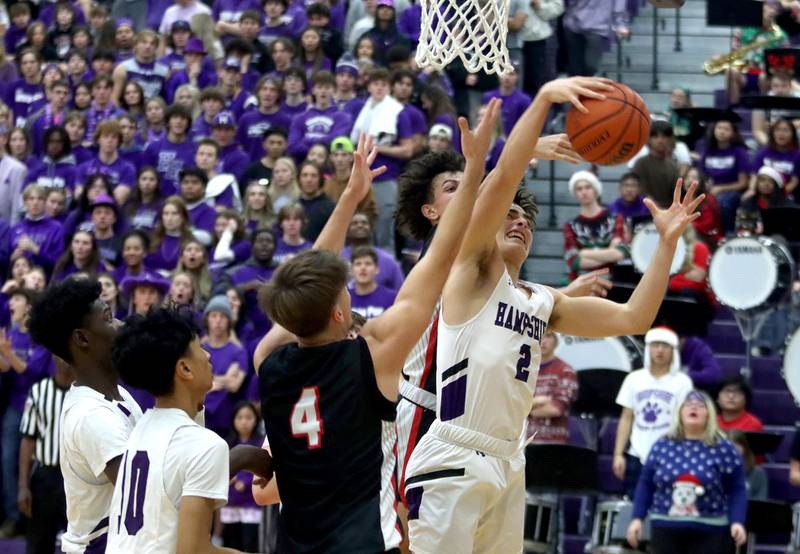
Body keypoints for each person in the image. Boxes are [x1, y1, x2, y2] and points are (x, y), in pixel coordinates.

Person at [403, 77, 701, 553]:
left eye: (527, 219)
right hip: (453, 451)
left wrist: (665, 245)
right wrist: (544, 100)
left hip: (509, 460)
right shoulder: (472, 268)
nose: (520, 220)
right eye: (509, 216)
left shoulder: (543, 300)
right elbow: (500, 184)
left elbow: (633, 319)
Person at [250, 103, 499, 551]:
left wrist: (348, 198)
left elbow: (308, 279)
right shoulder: (374, 354)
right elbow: (439, 258)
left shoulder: (268, 362)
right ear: (339, 315)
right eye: (343, 291)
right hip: (364, 542)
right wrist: (476, 167)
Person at [106, 307, 271, 553]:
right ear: (184, 369)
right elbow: (193, 551)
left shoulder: (142, 428)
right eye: (199, 348)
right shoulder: (202, 444)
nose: (208, 355)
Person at [27, 279, 143, 552]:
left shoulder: (118, 395)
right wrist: (235, 461)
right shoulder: (92, 415)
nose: (122, 325)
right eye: (109, 318)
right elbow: (145, 493)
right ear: (82, 338)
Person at [626, 390, 748, 553]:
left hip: (711, 529)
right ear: (679, 412)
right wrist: (637, 518)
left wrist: (737, 521)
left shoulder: (724, 448)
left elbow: (737, 488)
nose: (694, 407)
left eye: (700, 406)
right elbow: (646, 484)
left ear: (709, 414)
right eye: (689, 405)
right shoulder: (662, 445)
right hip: (665, 527)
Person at [613, 326, 694, 499]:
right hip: (635, 453)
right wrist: (618, 454)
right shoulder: (634, 379)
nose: (660, 350)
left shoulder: (683, 382)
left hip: (669, 453)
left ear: (673, 351)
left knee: (664, 503)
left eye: (665, 346)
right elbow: (626, 418)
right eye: (655, 345)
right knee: (633, 504)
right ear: (648, 348)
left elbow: (685, 422)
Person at [17, 358, 74, 553]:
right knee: (39, 542)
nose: (64, 360)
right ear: (53, 357)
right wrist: (23, 486)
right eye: (59, 354)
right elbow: (28, 439)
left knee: (80, 545)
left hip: (78, 479)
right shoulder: (39, 391)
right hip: (46, 476)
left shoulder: (87, 394)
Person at [563, 170, 626, 281]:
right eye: (579, 188)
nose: (584, 192)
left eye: (588, 187)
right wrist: (608, 254)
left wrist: (584, 252)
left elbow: (619, 253)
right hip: (582, 282)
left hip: (613, 282)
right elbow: (574, 261)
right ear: (575, 193)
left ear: (595, 190)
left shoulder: (615, 219)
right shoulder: (570, 226)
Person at [526, 331, 578, 444]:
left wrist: (525, 408)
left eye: (548, 336)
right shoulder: (525, 369)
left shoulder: (565, 370)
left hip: (553, 443)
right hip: (524, 442)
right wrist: (540, 401)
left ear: (556, 341)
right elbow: (512, 406)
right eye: (540, 336)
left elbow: (556, 409)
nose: (543, 341)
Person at [341, 212, 404, 292]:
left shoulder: (388, 260)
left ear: (371, 230)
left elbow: (399, 290)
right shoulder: (338, 258)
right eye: (354, 223)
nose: (360, 225)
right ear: (347, 231)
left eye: (364, 223)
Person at [632, 120, 683, 209]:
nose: (660, 140)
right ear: (649, 139)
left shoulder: (673, 166)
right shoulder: (641, 163)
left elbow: (677, 195)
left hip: (669, 213)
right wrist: (659, 210)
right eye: (655, 136)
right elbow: (640, 192)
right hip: (644, 213)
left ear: (670, 139)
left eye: (664, 136)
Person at [348, 246, 397, 319]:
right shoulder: (345, 299)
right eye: (358, 264)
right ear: (351, 270)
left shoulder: (392, 298)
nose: (363, 268)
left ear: (377, 269)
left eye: (368, 264)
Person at [728, 430, 768, 500]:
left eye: (737, 444)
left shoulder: (758, 474)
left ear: (745, 447)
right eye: (730, 445)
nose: (733, 448)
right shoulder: (717, 471)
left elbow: (760, 503)